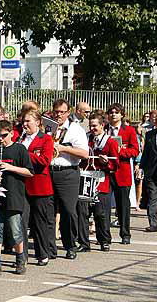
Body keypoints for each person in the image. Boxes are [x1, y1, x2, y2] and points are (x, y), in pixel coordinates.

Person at [0, 120, 32, 276]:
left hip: (13, 195)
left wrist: (10, 167)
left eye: (4, 136)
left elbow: (29, 172)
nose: (0, 139)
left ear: (12, 133)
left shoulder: (19, 149)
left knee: (15, 231)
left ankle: (20, 259)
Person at [50, 100, 90, 259]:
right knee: (48, 211)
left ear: (68, 113)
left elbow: (84, 153)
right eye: (56, 111)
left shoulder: (75, 129)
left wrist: (64, 148)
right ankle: (49, 247)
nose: (58, 114)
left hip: (68, 172)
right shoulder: (49, 128)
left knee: (68, 211)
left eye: (62, 112)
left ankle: (70, 245)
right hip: (49, 171)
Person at [20, 110, 56, 266]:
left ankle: (43, 253)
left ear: (38, 122)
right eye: (24, 121)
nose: (25, 124)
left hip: (40, 186)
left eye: (28, 121)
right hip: (22, 185)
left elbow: (44, 161)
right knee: (21, 221)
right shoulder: (20, 138)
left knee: (39, 222)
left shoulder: (46, 139)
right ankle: (22, 256)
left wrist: (24, 153)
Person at [80, 112, 119, 251]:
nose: (92, 128)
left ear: (102, 125)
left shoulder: (110, 142)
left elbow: (115, 165)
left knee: (100, 212)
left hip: (101, 180)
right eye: (90, 125)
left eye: (95, 125)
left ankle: (104, 240)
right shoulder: (85, 139)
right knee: (83, 212)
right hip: (85, 178)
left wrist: (106, 163)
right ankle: (84, 243)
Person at [106, 103, 140, 244]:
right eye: (111, 112)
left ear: (121, 115)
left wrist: (121, 151)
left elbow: (135, 151)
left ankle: (125, 234)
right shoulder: (104, 129)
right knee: (104, 205)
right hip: (106, 171)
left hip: (122, 172)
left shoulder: (129, 130)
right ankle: (104, 236)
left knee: (123, 206)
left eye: (116, 112)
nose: (113, 114)